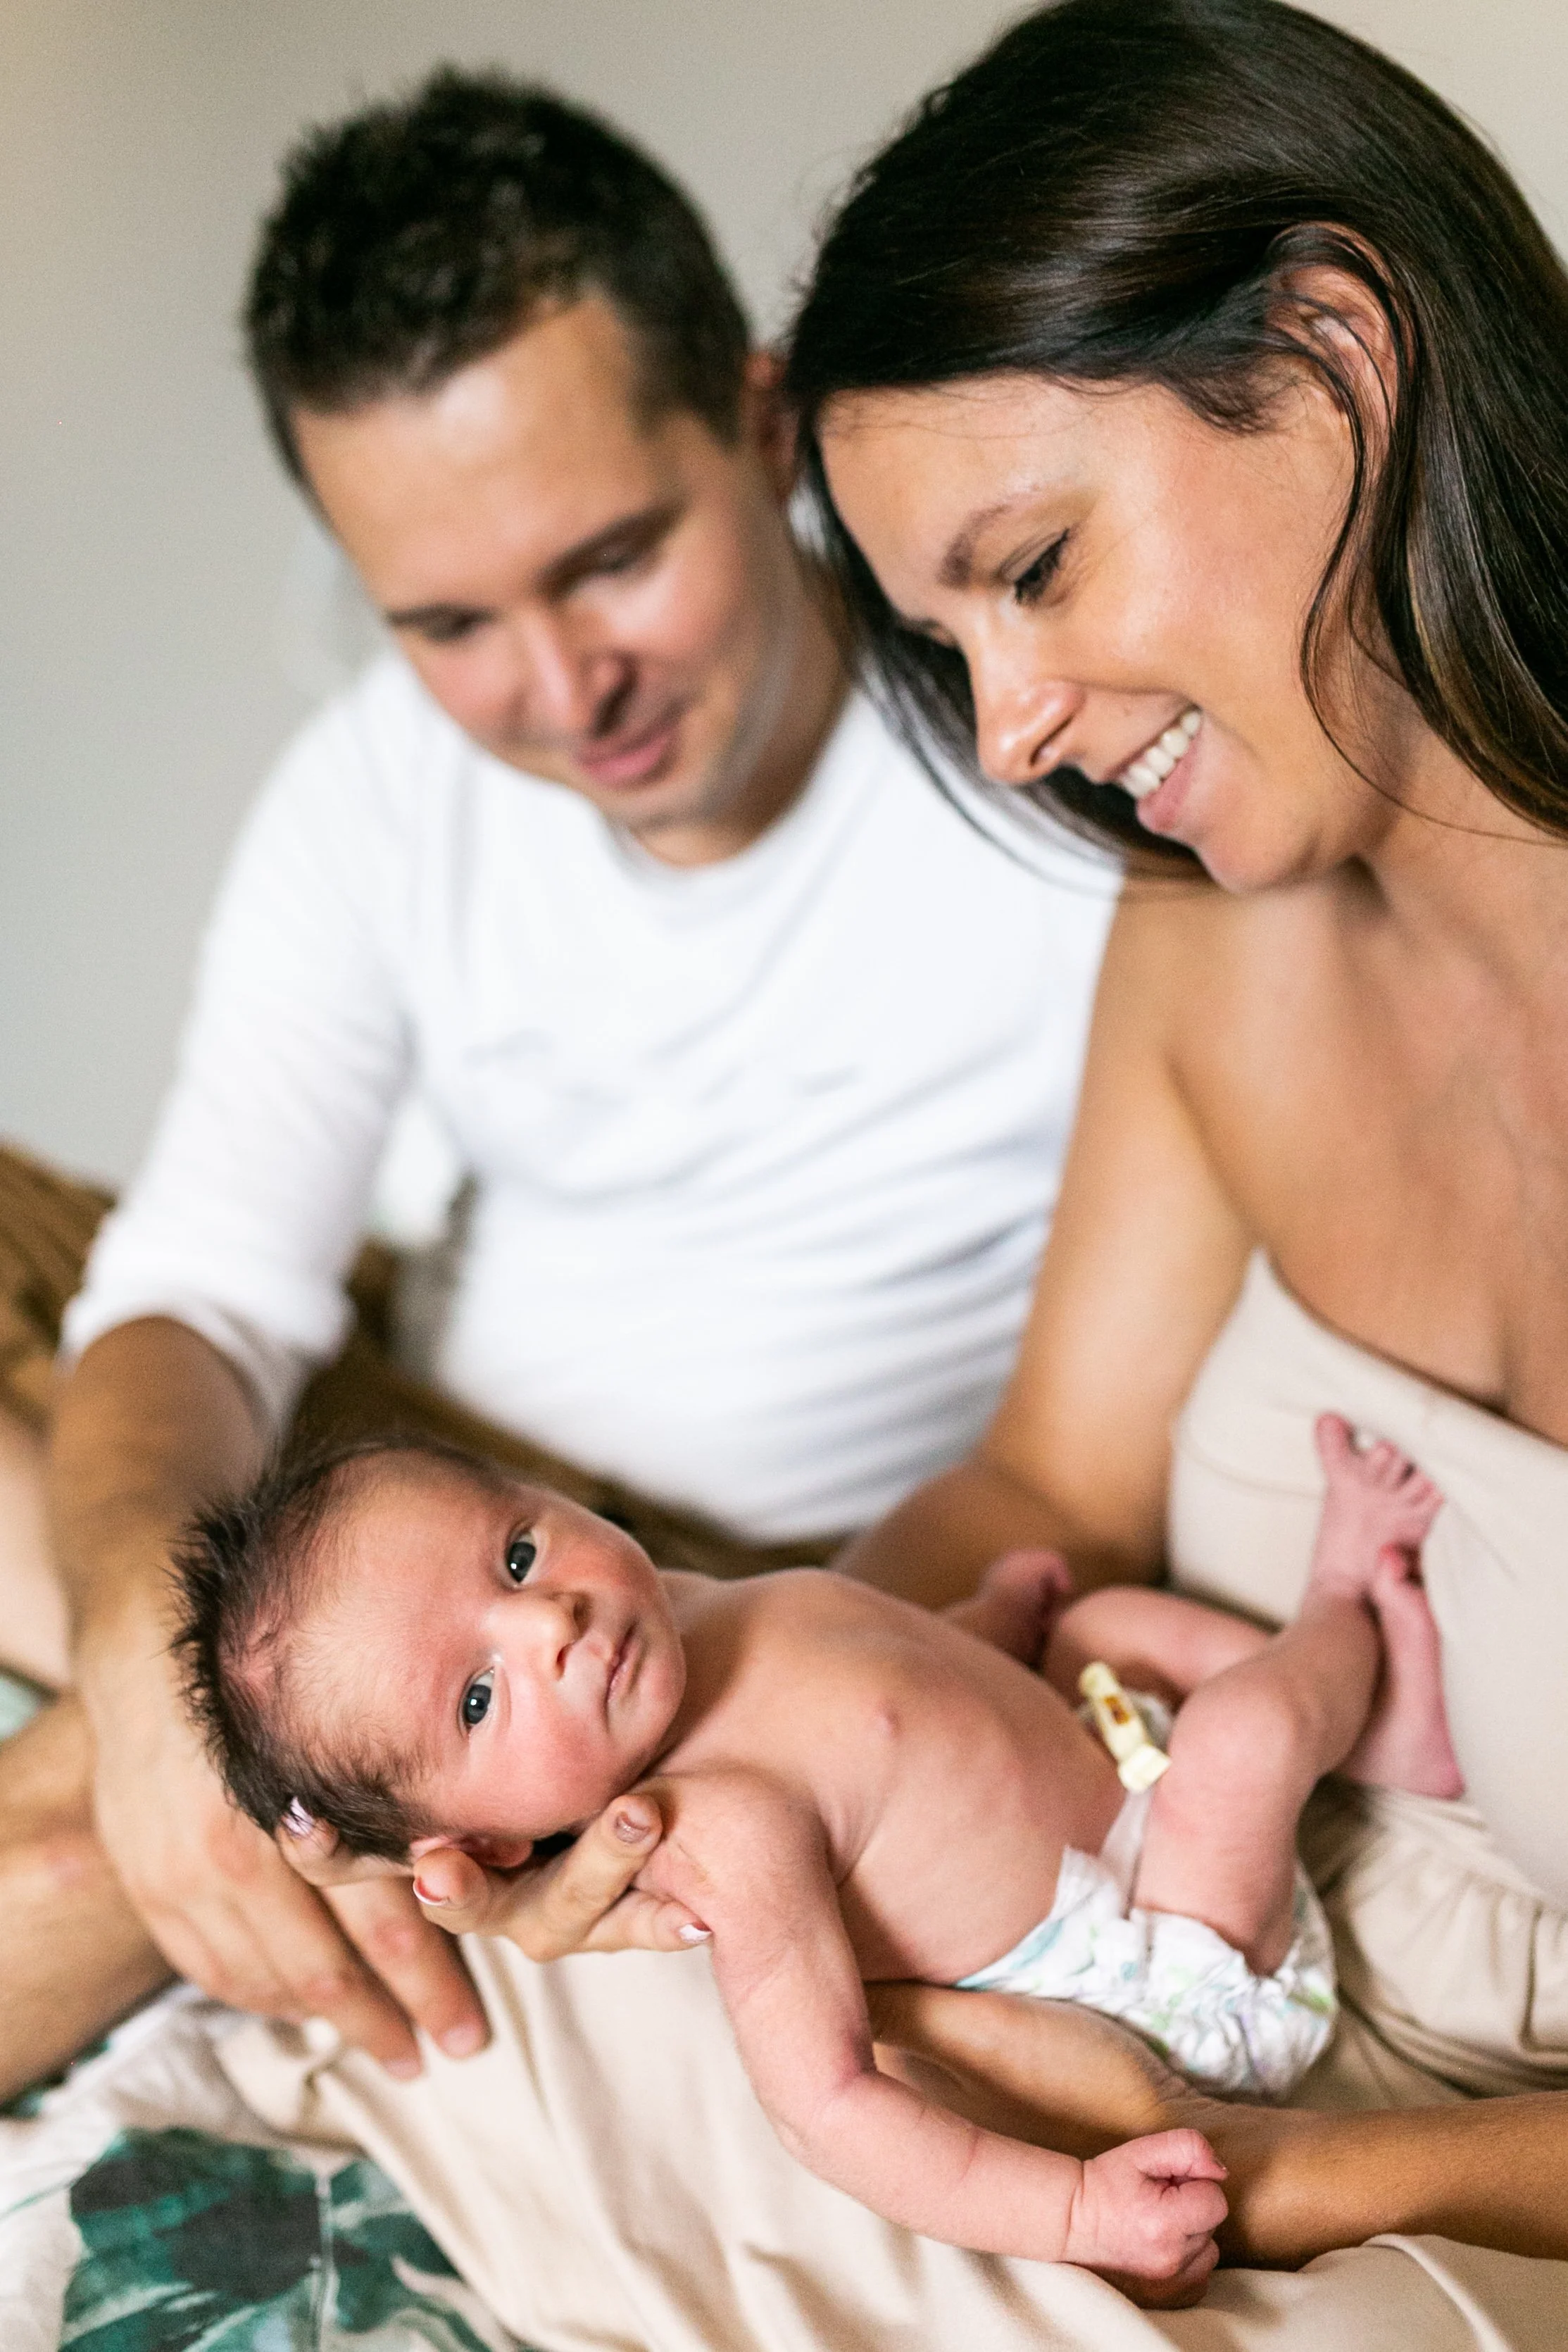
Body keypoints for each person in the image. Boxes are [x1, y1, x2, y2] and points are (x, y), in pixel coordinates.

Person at [260, 2, 1568, 2344]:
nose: (1005, 729)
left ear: (1336, 355)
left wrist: (1289, 2180)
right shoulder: (1207, 951)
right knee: (389, 2032)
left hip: (1385, 2159)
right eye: (939, 635)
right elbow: (1036, 1483)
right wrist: (725, 1770)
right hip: (1128, 1998)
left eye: (1033, 569)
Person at [0, 69, 1112, 2103]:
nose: (557, 684)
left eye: (611, 557)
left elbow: (1084, 1447)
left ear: (765, 425)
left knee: (82, 1836)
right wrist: (160, 1660)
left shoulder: (1046, 751)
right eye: (447, 620)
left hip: (673, 1569)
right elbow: (203, 1288)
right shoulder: (375, 789)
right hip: (384, 1469)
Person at [180, 1420, 1447, 2294]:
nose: (547, 1619)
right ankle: (1345, 1602)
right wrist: (1076, 2214)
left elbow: (876, 1693)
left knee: (1108, 1627)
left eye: (515, 1552)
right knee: (1235, 1741)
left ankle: (1396, 1738)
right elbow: (826, 2107)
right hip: (1161, 1981)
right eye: (474, 1699)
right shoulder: (715, 1823)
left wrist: (988, 1627)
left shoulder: (665, 1613)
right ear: (492, 1844)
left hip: (1100, 1785)